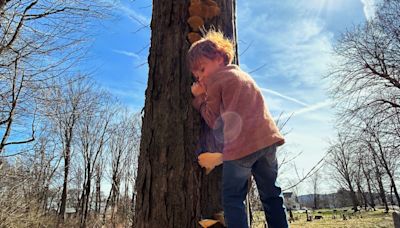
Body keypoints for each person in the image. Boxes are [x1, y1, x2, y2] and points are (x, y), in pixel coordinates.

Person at [187, 30, 289, 228]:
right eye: (197, 75)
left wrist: (199, 99)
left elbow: (214, 119)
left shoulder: (216, 81)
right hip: (267, 142)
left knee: (233, 198)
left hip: (241, 148)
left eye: (202, 69)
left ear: (218, 58)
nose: (200, 78)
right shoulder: (241, 74)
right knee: (272, 195)